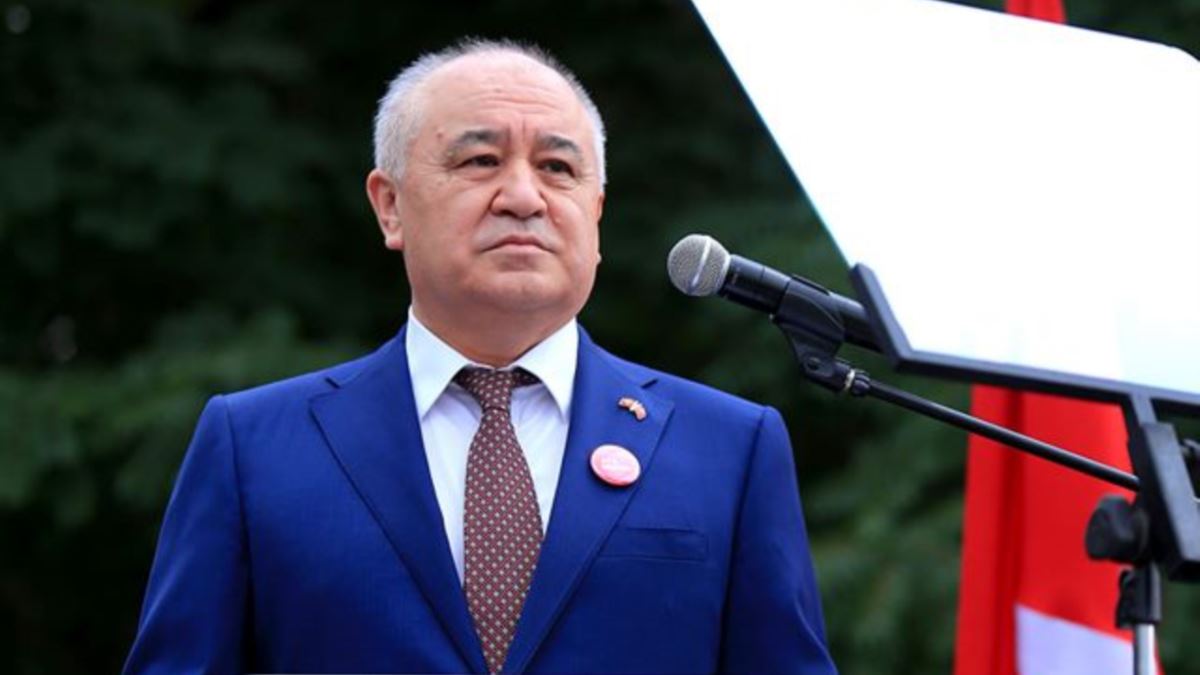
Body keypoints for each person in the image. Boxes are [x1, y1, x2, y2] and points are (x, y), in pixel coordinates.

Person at [123, 38, 837, 674]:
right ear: (390, 206)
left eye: (557, 166)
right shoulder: (253, 448)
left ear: (596, 212)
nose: (523, 196)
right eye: (480, 160)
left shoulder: (728, 449)